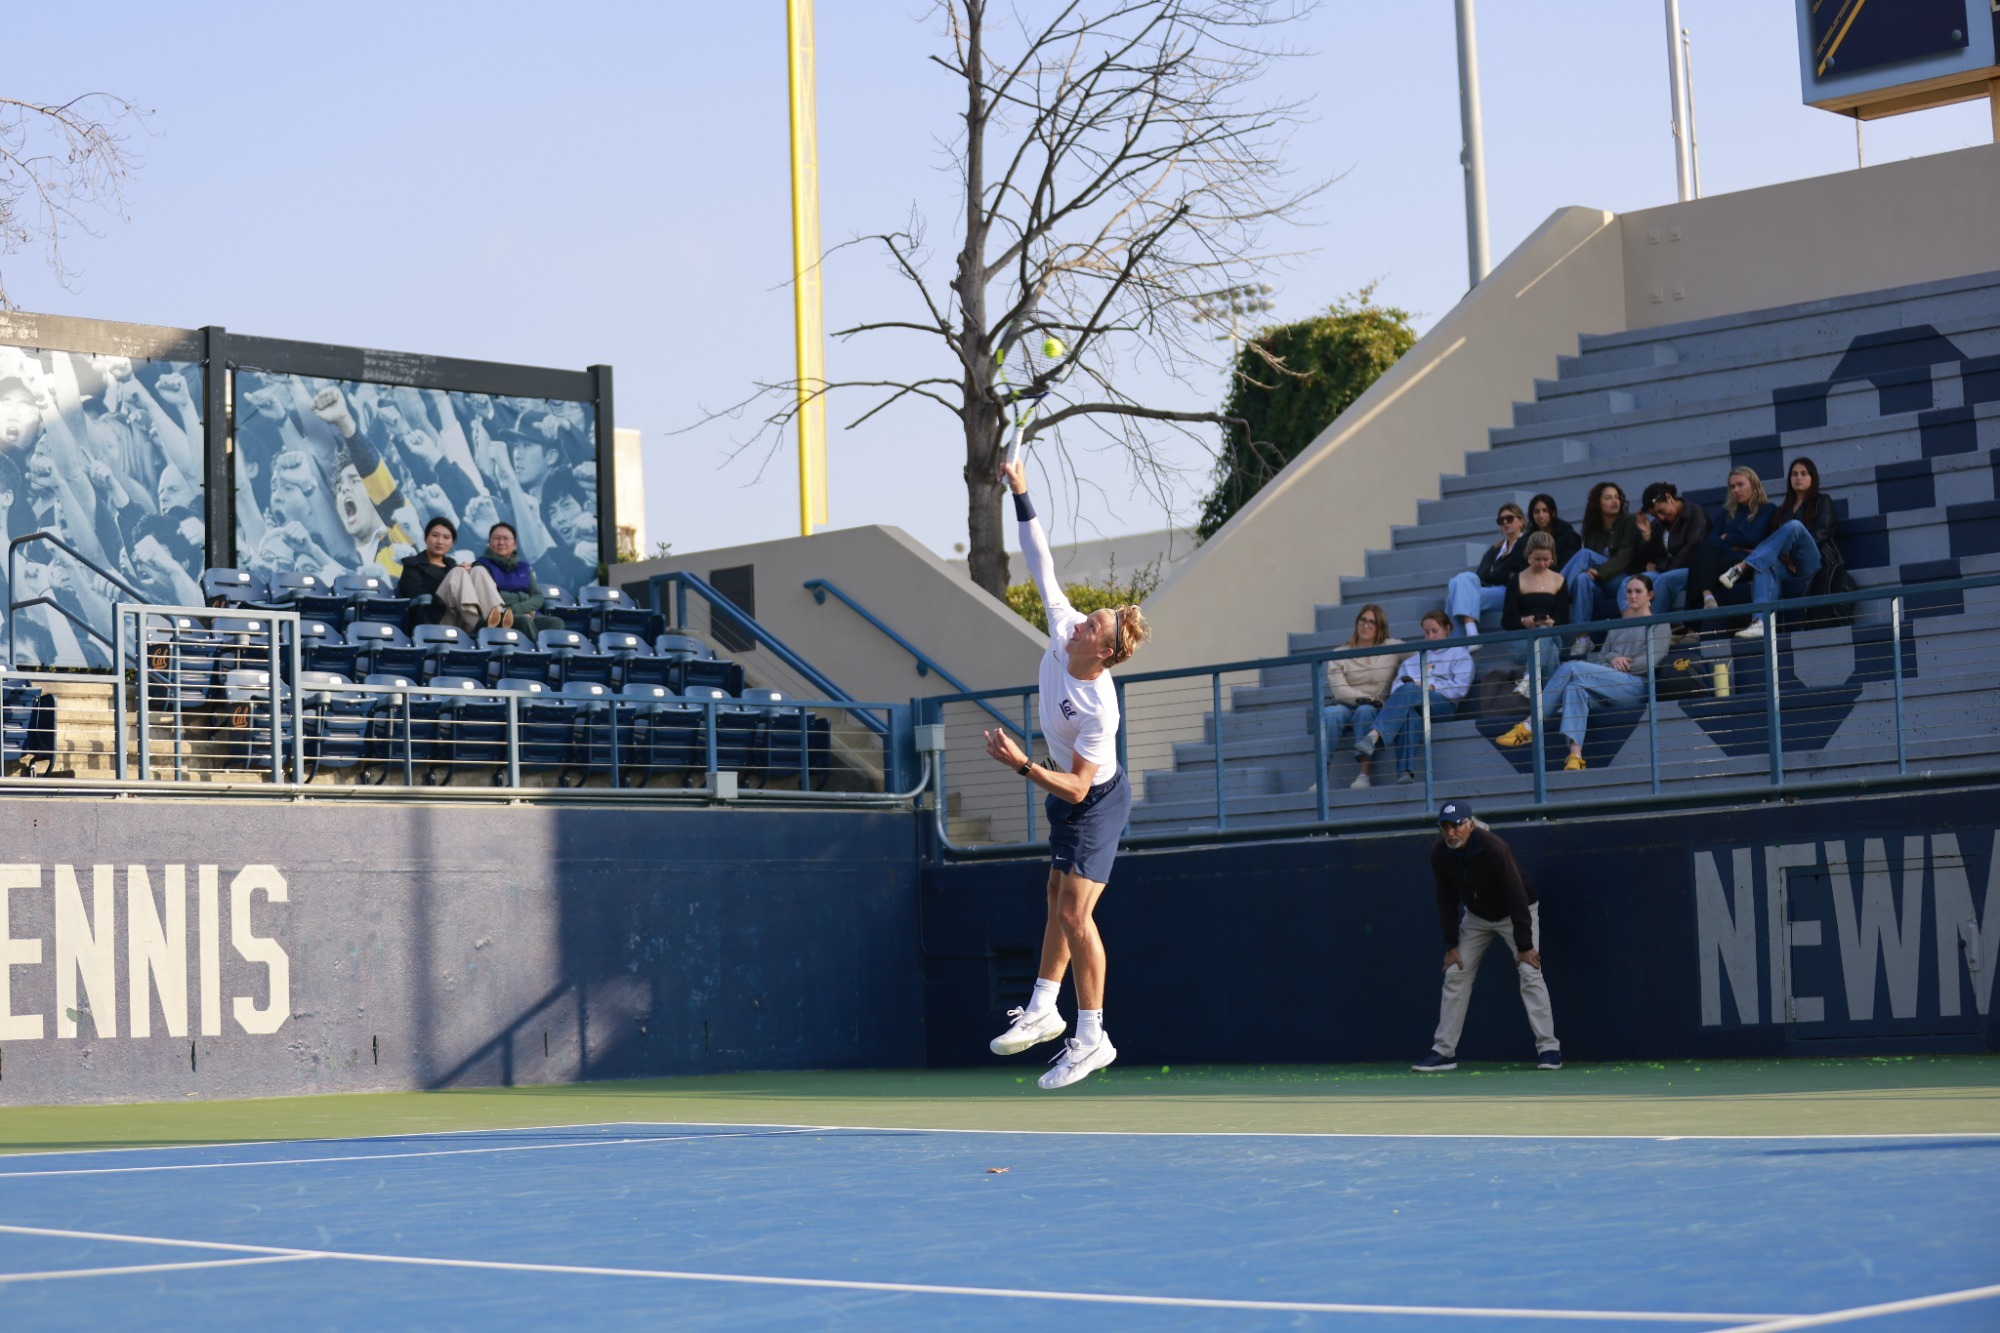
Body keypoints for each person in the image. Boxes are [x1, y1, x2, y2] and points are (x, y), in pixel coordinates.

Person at [982, 458, 1151, 1090]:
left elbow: (1080, 787)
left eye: (1092, 624)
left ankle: (1092, 1037)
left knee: (1078, 915)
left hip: (1097, 801)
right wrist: (1021, 492)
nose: (1079, 621)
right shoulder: (1063, 631)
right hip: (1068, 791)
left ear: (1102, 650)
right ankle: (1044, 1008)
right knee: (1055, 896)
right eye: (1086, 617)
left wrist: (1022, 764)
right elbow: (1040, 559)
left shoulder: (1099, 707)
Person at [1412, 800, 1560, 1072]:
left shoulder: (1494, 848)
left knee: (1530, 971)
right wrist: (1451, 945)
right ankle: (1444, 1051)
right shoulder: (1439, 853)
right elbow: (1445, 899)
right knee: (1455, 973)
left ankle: (1549, 1049)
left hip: (1517, 912)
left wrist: (1525, 945)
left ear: (1470, 825)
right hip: (1478, 917)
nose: (1450, 833)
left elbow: (1517, 895)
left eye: (1456, 826)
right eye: (1445, 827)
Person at [1496, 573, 1670, 770]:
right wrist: (1613, 658)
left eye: (1638, 591)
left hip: (1636, 686)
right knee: (1574, 688)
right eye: (1629, 591)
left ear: (1650, 595)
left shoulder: (1660, 623)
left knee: (1570, 667)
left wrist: (1621, 664)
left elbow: (1652, 660)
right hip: (1607, 686)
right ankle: (1575, 757)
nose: (1633, 596)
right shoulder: (1617, 624)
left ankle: (1530, 725)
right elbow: (1602, 657)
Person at [1354, 609, 1472, 785]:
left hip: (1442, 705)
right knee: (1410, 712)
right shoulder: (1414, 658)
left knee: (1410, 690)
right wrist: (1415, 688)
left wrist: (1430, 687)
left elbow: (1460, 689)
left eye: (1435, 631)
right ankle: (1405, 772)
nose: (1430, 637)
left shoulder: (1460, 654)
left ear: (1447, 629)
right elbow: (1397, 688)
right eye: (1426, 632)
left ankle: (1375, 734)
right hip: (1414, 702)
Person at [1319, 604, 1406, 789]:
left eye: (1372, 622)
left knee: (1365, 711)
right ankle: (1322, 777)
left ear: (1380, 627)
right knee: (1329, 714)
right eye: (1362, 620)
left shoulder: (1391, 647)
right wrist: (1368, 697)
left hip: (1373, 707)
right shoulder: (1340, 653)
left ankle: (1363, 775)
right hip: (1345, 704)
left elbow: (1422, 654)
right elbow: (1340, 690)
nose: (1366, 625)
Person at [1562, 481, 1639, 654]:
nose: (1615, 501)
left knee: (1585, 555)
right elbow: (1588, 569)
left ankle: (1557, 591)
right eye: (1608, 498)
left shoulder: (1629, 521)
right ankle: (1583, 638)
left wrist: (1599, 571)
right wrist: (1589, 573)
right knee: (1581, 578)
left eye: (1617, 497)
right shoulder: (1592, 530)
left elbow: (1625, 557)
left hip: (1623, 580)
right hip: (1600, 585)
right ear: (1598, 503)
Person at [397, 516, 509, 631]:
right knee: (458, 572)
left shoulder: (452, 565)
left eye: (446, 537)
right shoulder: (412, 564)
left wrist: (469, 571)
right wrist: (455, 577)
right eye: (435, 535)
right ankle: (476, 622)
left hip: (460, 620)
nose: (440, 541)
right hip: (434, 620)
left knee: (478, 570)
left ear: (452, 543)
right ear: (425, 538)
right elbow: (416, 595)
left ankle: (497, 616)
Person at [1442, 502, 1527, 637]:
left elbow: (1516, 572)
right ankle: (1469, 633)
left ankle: (1459, 643)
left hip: (1509, 591)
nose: (1505, 522)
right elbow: (1481, 575)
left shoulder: (1527, 543)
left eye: (1510, 518)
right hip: (1490, 589)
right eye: (1501, 520)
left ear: (1521, 521)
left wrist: (1498, 573)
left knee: (1456, 594)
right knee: (1457, 588)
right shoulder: (1495, 549)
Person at [1500, 531, 1567, 688]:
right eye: (1537, 559)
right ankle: (1552, 697)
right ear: (1528, 555)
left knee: (1544, 632)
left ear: (1552, 557)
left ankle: (1529, 680)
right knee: (1550, 652)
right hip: (1522, 640)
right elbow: (1506, 621)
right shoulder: (1517, 580)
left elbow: (1563, 618)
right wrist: (1524, 621)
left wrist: (1551, 622)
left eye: (1546, 559)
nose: (1542, 564)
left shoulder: (1559, 580)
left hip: (1551, 634)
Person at [473, 522, 562, 636]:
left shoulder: (524, 567)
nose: (501, 542)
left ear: (515, 544)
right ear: (489, 543)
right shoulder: (482, 566)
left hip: (528, 613)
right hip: (502, 616)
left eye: (506, 538)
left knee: (555, 623)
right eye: (496, 538)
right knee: (524, 622)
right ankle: (536, 647)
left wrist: (519, 607)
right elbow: (493, 596)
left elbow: (537, 596)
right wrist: (523, 598)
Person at [1635, 481, 1711, 615]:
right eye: (1655, 515)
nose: (1660, 517)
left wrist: (1659, 567)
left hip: (1691, 569)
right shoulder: (1658, 523)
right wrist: (1647, 534)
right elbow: (1650, 558)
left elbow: (1689, 553)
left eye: (1661, 511)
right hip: (1666, 569)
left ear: (1669, 497)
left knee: (1664, 580)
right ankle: (1629, 624)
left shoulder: (1696, 515)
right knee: (1631, 582)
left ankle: (1649, 626)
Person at [1527, 493, 1581, 570]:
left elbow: (1569, 564)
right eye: (1536, 512)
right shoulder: (1527, 538)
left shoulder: (1568, 536)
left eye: (1545, 511)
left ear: (1553, 513)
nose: (1541, 515)